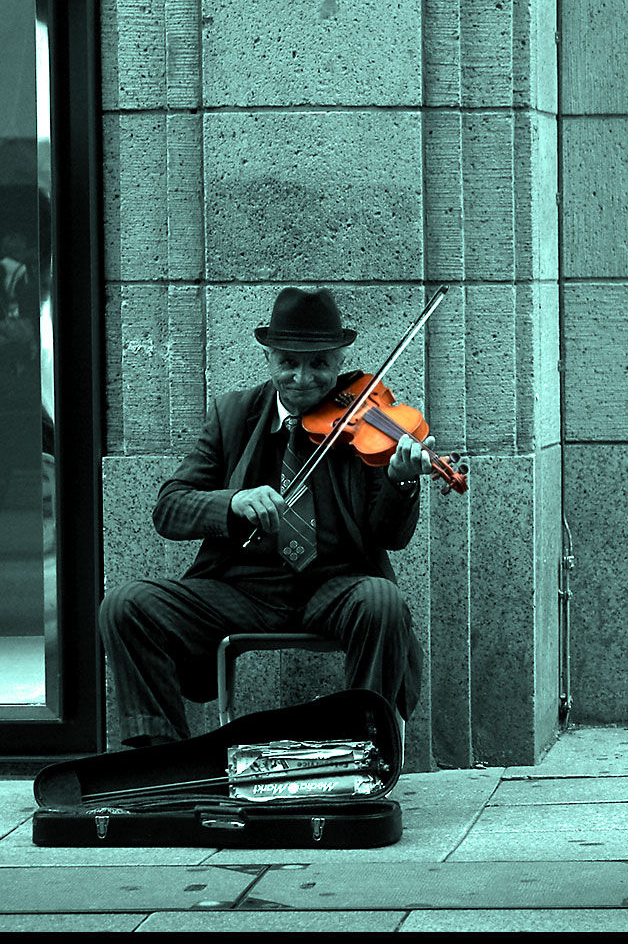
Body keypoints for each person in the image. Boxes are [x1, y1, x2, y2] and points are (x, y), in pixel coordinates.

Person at [99, 288, 433, 747]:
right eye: (288, 362)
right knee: (126, 605)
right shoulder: (233, 415)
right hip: (240, 589)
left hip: (335, 587)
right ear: (269, 358)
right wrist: (230, 503)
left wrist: (401, 481)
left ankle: (366, 747)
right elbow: (169, 508)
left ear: (338, 363)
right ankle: (159, 756)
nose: (302, 378)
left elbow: (389, 536)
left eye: (319, 364)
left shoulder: (368, 421)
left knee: (383, 601)